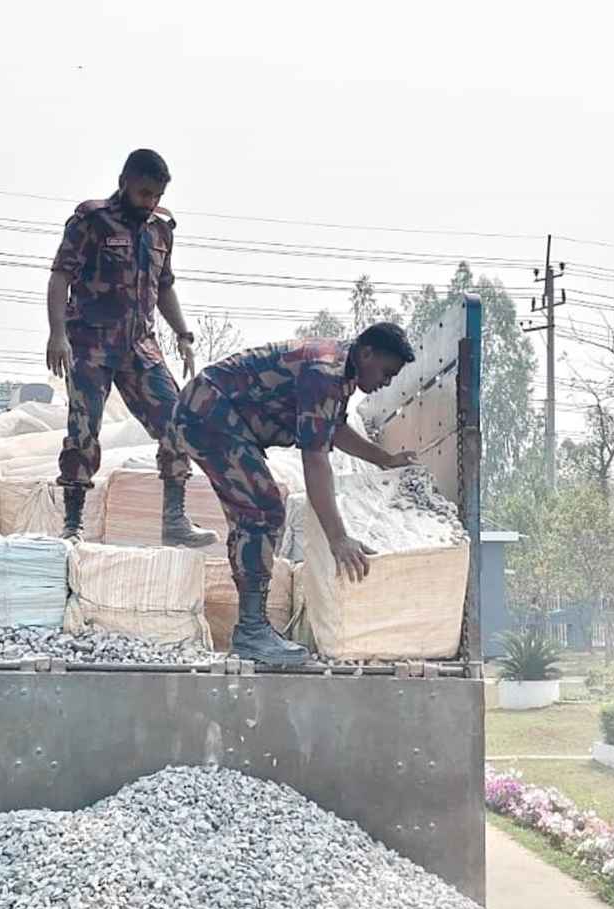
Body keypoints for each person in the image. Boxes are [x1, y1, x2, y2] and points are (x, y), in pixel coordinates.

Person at [169, 322, 419, 666]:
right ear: (367, 353)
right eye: (386, 372)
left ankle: (253, 628)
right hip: (209, 413)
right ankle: (252, 632)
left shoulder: (341, 372)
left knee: (258, 509)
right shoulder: (325, 371)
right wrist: (339, 538)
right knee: (263, 508)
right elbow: (315, 460)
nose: (386, 382)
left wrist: (385, 460)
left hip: (219, 416)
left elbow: (333, 429)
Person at [46, 148, 215, 547]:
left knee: (179, 423)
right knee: (83, 431)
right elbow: (59, 277)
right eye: (144, 194)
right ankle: (73, 524)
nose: (150, 202)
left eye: (156, 195)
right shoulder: (92, 220)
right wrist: (57, 334)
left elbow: (164, 286)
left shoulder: (161, 229)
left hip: (140, 348)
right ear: (124, 183)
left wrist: (183, 333)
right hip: (90, 344)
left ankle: (174, 522)